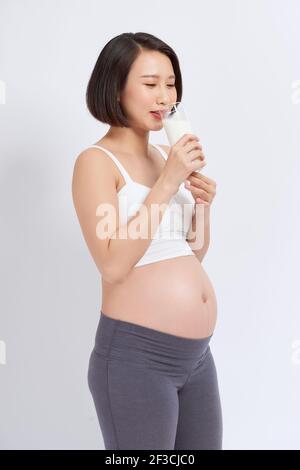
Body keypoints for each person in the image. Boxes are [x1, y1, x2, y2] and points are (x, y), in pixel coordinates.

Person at [72, 32, 222, 450]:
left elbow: (190, 254)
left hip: (196, 359)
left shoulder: (162, 155)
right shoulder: (95, 163)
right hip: (136, 359)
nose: (164, 96)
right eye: (150, 83)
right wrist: (167, 183)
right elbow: (112, 265)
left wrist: (202, 205)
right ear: (115, 87)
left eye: (171, 83)